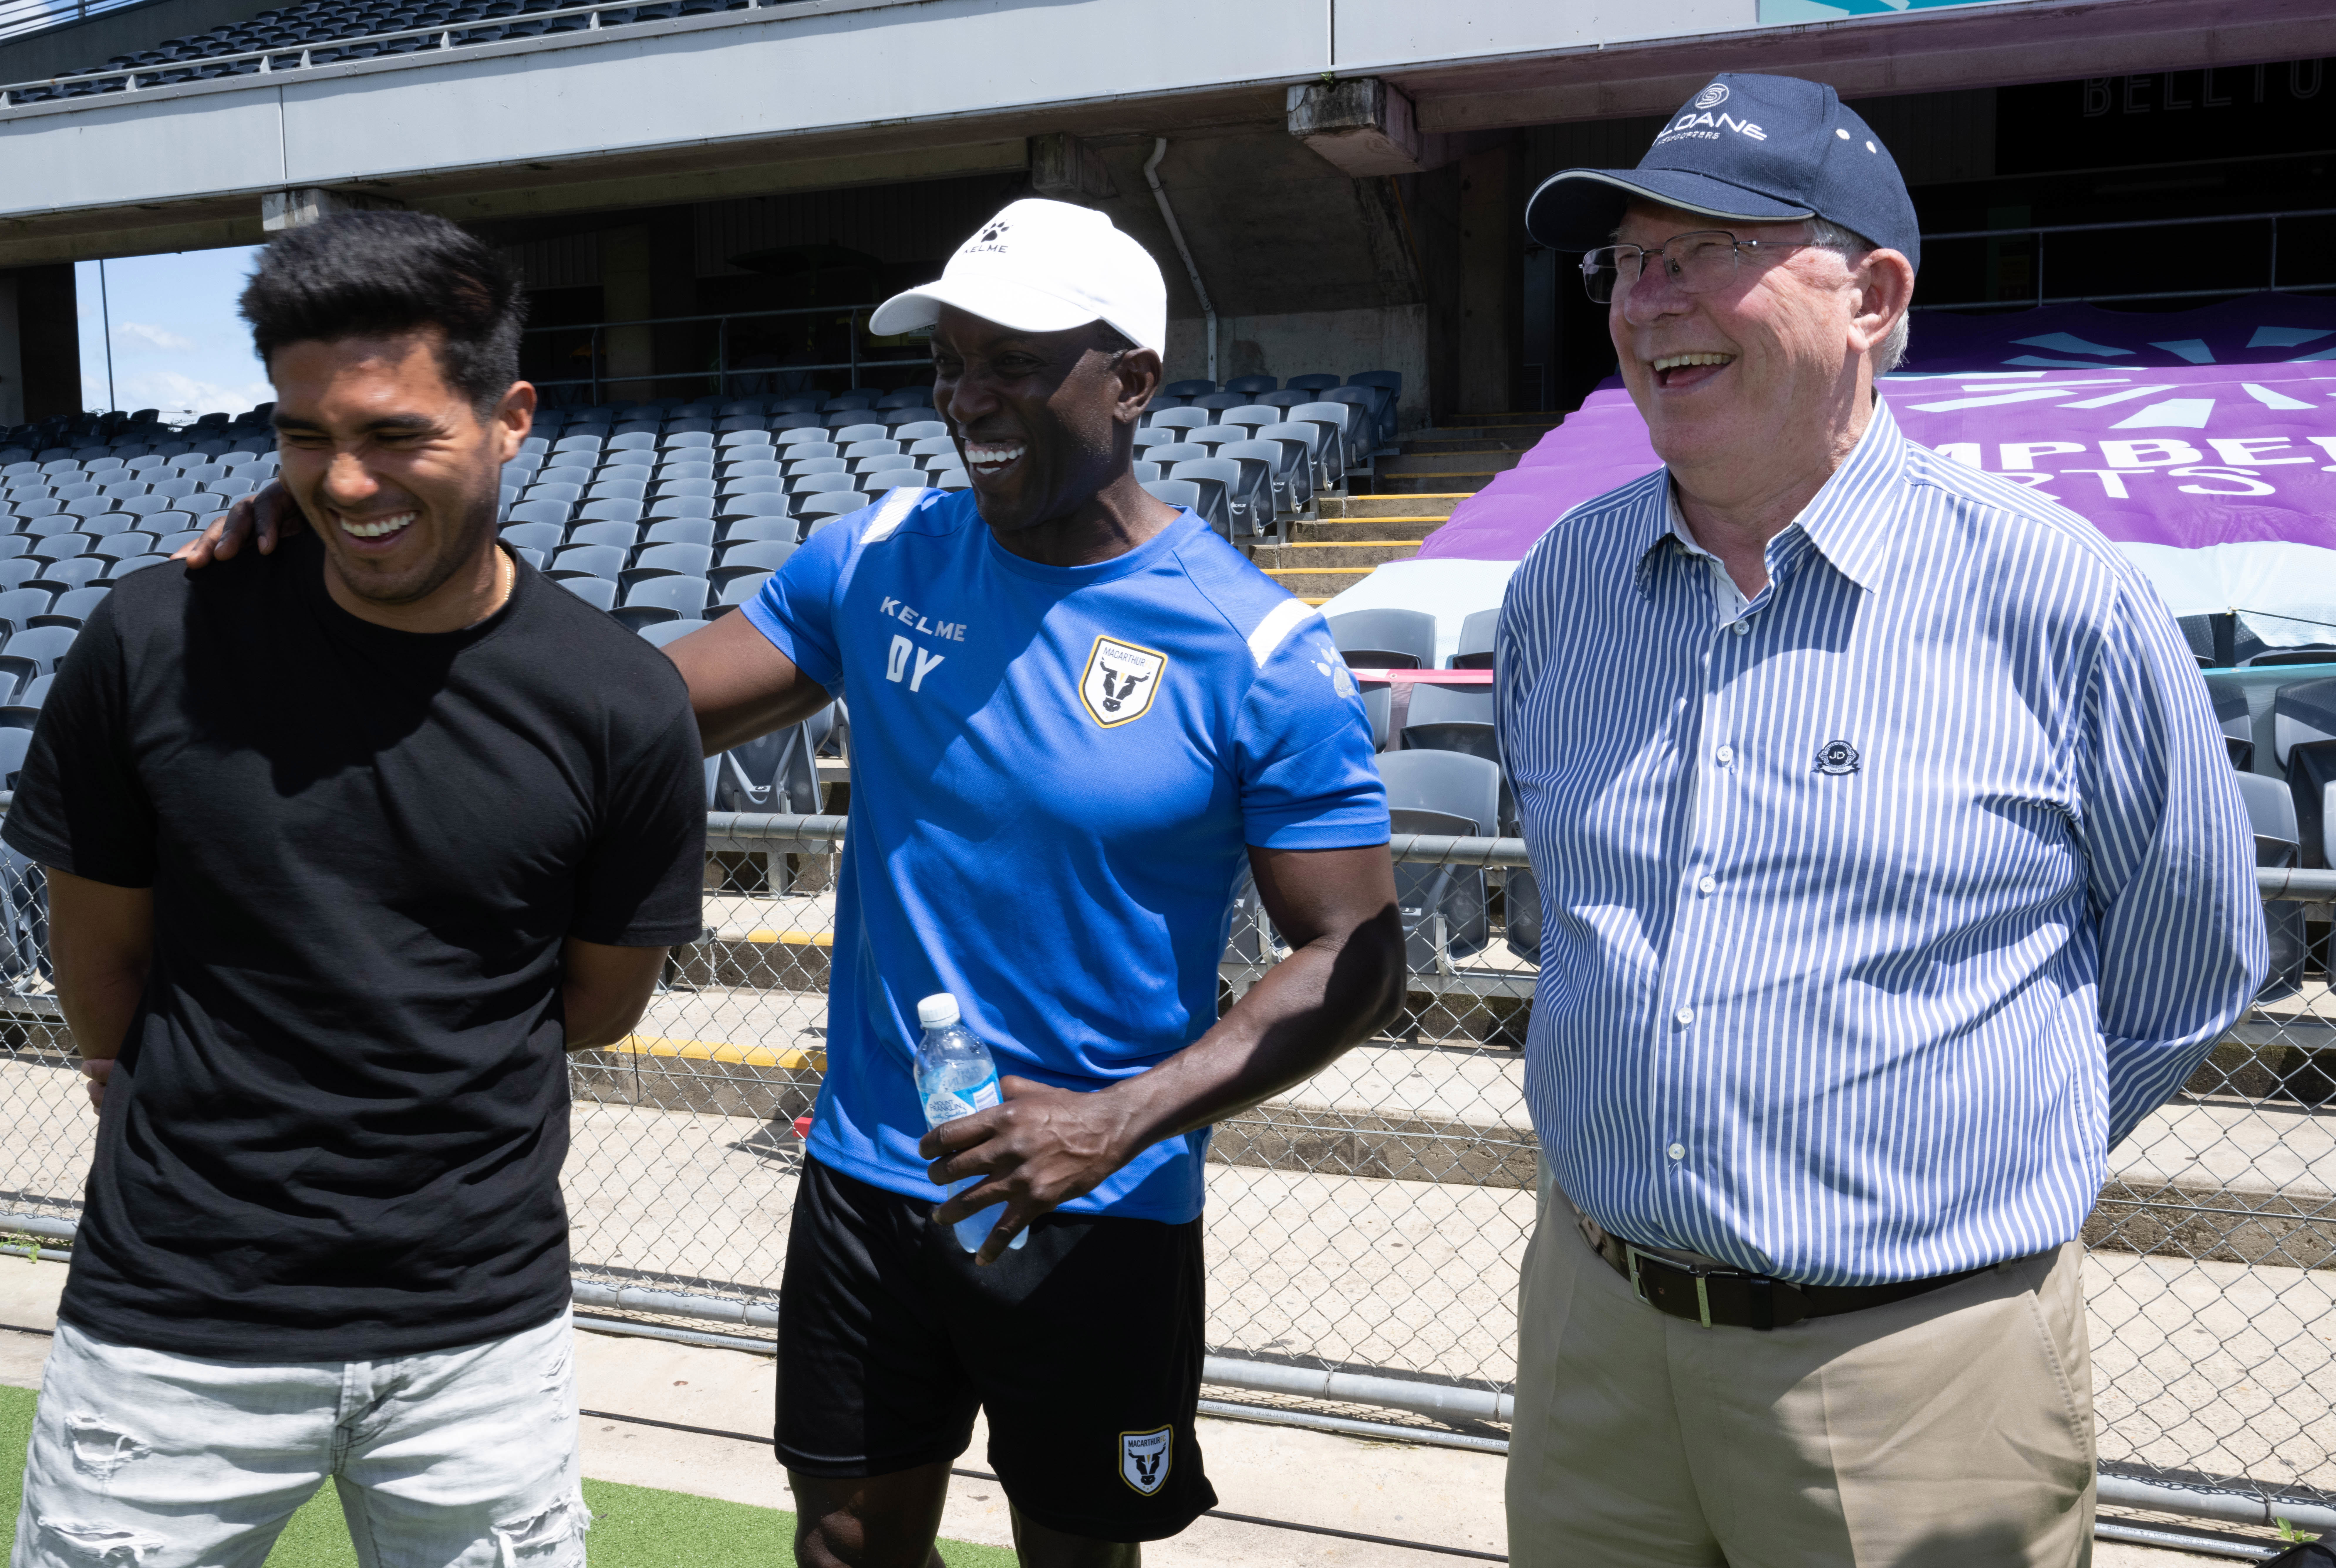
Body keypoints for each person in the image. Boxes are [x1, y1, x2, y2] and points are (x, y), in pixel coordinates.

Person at [185, 196, 1405, 1568]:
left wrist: (1121, 1119)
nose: (967, 395)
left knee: (1079, 1553)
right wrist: (372, 539)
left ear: (1127, 381)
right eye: (950, 360)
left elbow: (1352, 948)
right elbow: (630, 712)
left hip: (1090, 1198)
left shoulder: (1257, 648)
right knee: (840, 1543)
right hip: (866, 1171)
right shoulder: (883, 559)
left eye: (1013, 360)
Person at [1497, 73, 2265, 1567]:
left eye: (1706, 251)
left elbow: (2188, 965)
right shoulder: (1561, 586)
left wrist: (1948, 1177)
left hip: (1916, 1374)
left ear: (1873, 293)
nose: (1651, 305)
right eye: (1628, 265)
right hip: (1593, 1333)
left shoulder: (2056, 599)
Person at [11, 212, 708, 1568]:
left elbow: (598, 1003)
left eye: (395, 435)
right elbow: (96, 955)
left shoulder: (619, 701)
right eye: (303, 436)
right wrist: (136, 1065)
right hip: (173, 1321)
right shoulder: (156, 639)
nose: (344, 481)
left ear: (510, 417)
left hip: (478, 1336)